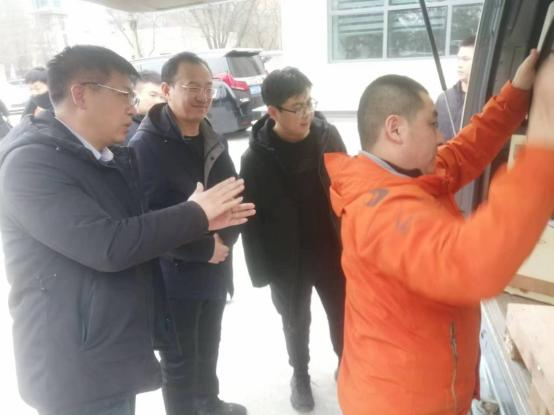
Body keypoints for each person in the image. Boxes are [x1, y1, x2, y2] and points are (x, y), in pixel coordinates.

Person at [0, 45, 254, 415]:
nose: (132, 109)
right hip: (73, 364)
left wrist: (200, 219)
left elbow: (138, 228)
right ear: (81, 94)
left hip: (110, 348)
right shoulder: (31, 165)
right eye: (124, 95)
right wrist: (195, 214)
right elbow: (109, 244)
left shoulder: (105, 155)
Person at [324, 50, 554, 415]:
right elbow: (472, 264)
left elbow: (464, 151)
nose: (441, 134)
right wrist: (544, 147)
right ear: (395, 130)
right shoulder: (379, 211)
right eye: (432, 124)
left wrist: (518, 93)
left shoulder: (406, 174)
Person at [129, 52, 246, 415]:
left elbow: (235, 196)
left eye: (209, 87)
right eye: (192, 87)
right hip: (175, 277)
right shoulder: (144, 147)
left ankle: (208, 403)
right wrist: (203, 249)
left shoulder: (212, 136)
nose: (203, 96)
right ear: (166, 90)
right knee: (180, 363)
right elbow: (146, 220)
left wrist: (222, 243)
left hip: (216, 266)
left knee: (209, 347)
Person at [240, 67, 346, 412]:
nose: (306, 113)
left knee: (343, 313)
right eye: (297, 107)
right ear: (273, 111)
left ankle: (347, 363)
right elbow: (250, 218)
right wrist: (261, 272)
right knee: (295, 321)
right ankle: (300, 374)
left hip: (331, 248)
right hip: (288, 259)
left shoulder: (328, 137)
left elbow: (350, 185)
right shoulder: (256, 157)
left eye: (309, 103)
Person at [436, 35, 476, 140]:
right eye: (458, 59)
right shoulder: (444, 98)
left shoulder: (484, 97)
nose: (459, 64)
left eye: (465, 59)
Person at [124, 70, 165, 144]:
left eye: (162, 97)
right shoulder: (124, 129)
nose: (159, 101)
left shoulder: (164, 125)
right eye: (153, 95)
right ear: (134, 95)